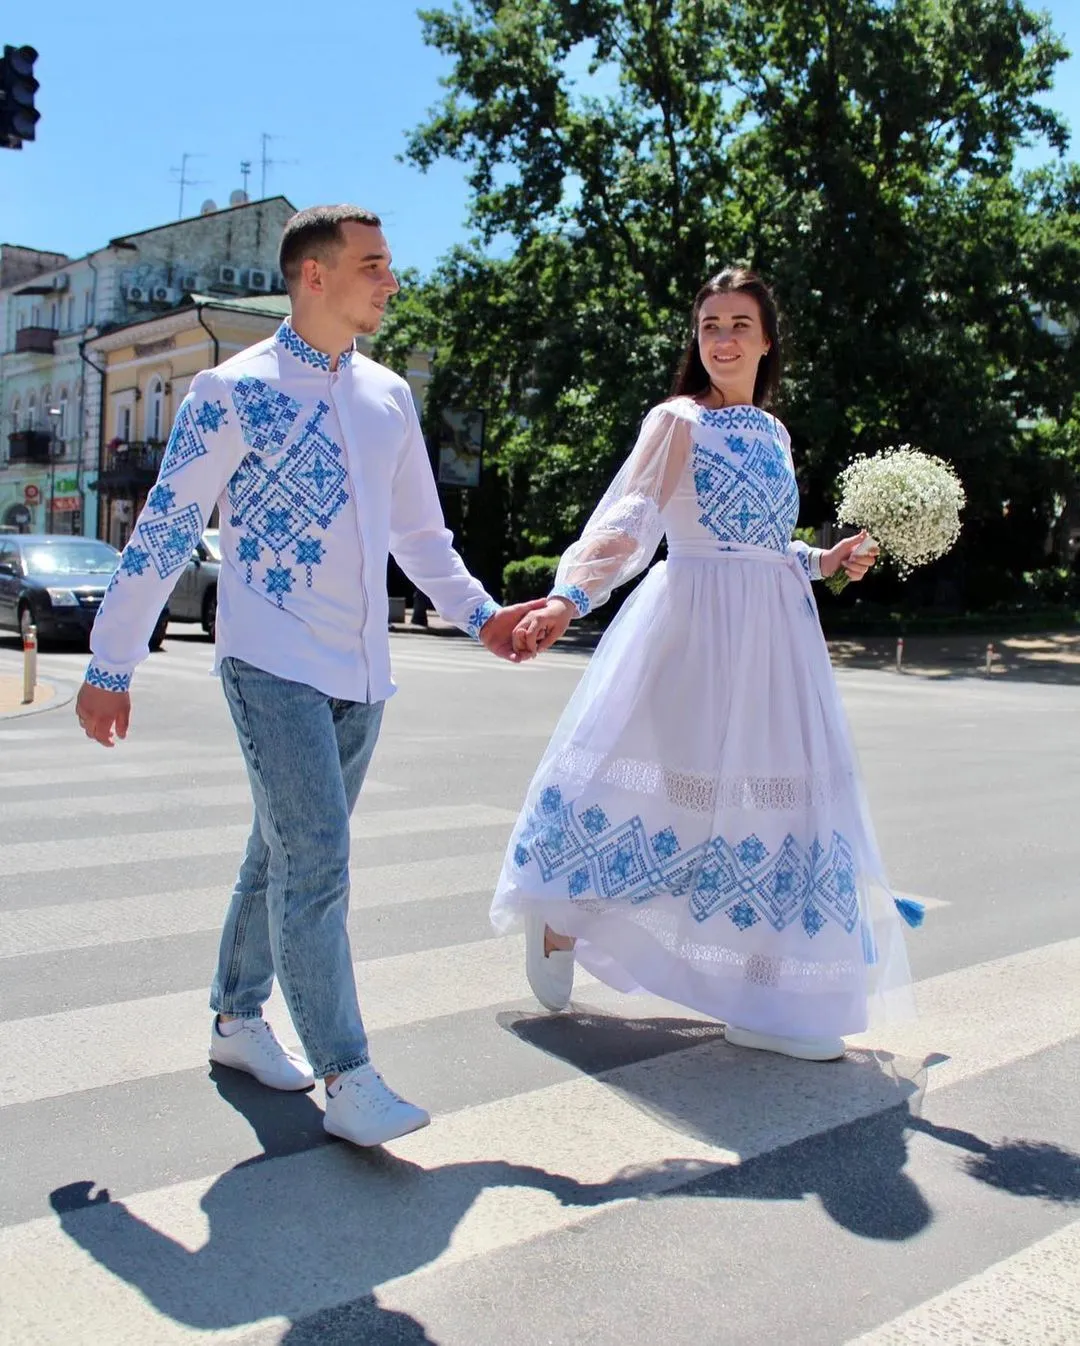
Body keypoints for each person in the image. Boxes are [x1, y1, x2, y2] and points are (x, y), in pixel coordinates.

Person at [75, 204, 544, 1146]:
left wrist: (485, 618)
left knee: (281, 851)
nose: (391, 280)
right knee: (318, 862)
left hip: (362, 673)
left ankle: (234, 1018)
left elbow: (422, 537)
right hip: (270, 662)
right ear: (313, 277)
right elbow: (167, 528)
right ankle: (349, 1075)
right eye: (373, 264)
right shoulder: (230, 393)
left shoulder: (387, 398)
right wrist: (110, 661)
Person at [493, 268, 920, 1062]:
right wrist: (567, 598)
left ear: (765, 342)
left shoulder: (776, 433)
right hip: (691, 629)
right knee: (667, 796)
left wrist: (826, 560)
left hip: (776, 641)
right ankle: (559, 918)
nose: (722, 339)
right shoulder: (676, 420)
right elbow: (631, 520)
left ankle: (762, 994)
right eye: (709, 325)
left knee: (775, 810)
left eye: (738, 325)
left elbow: (764, 546)